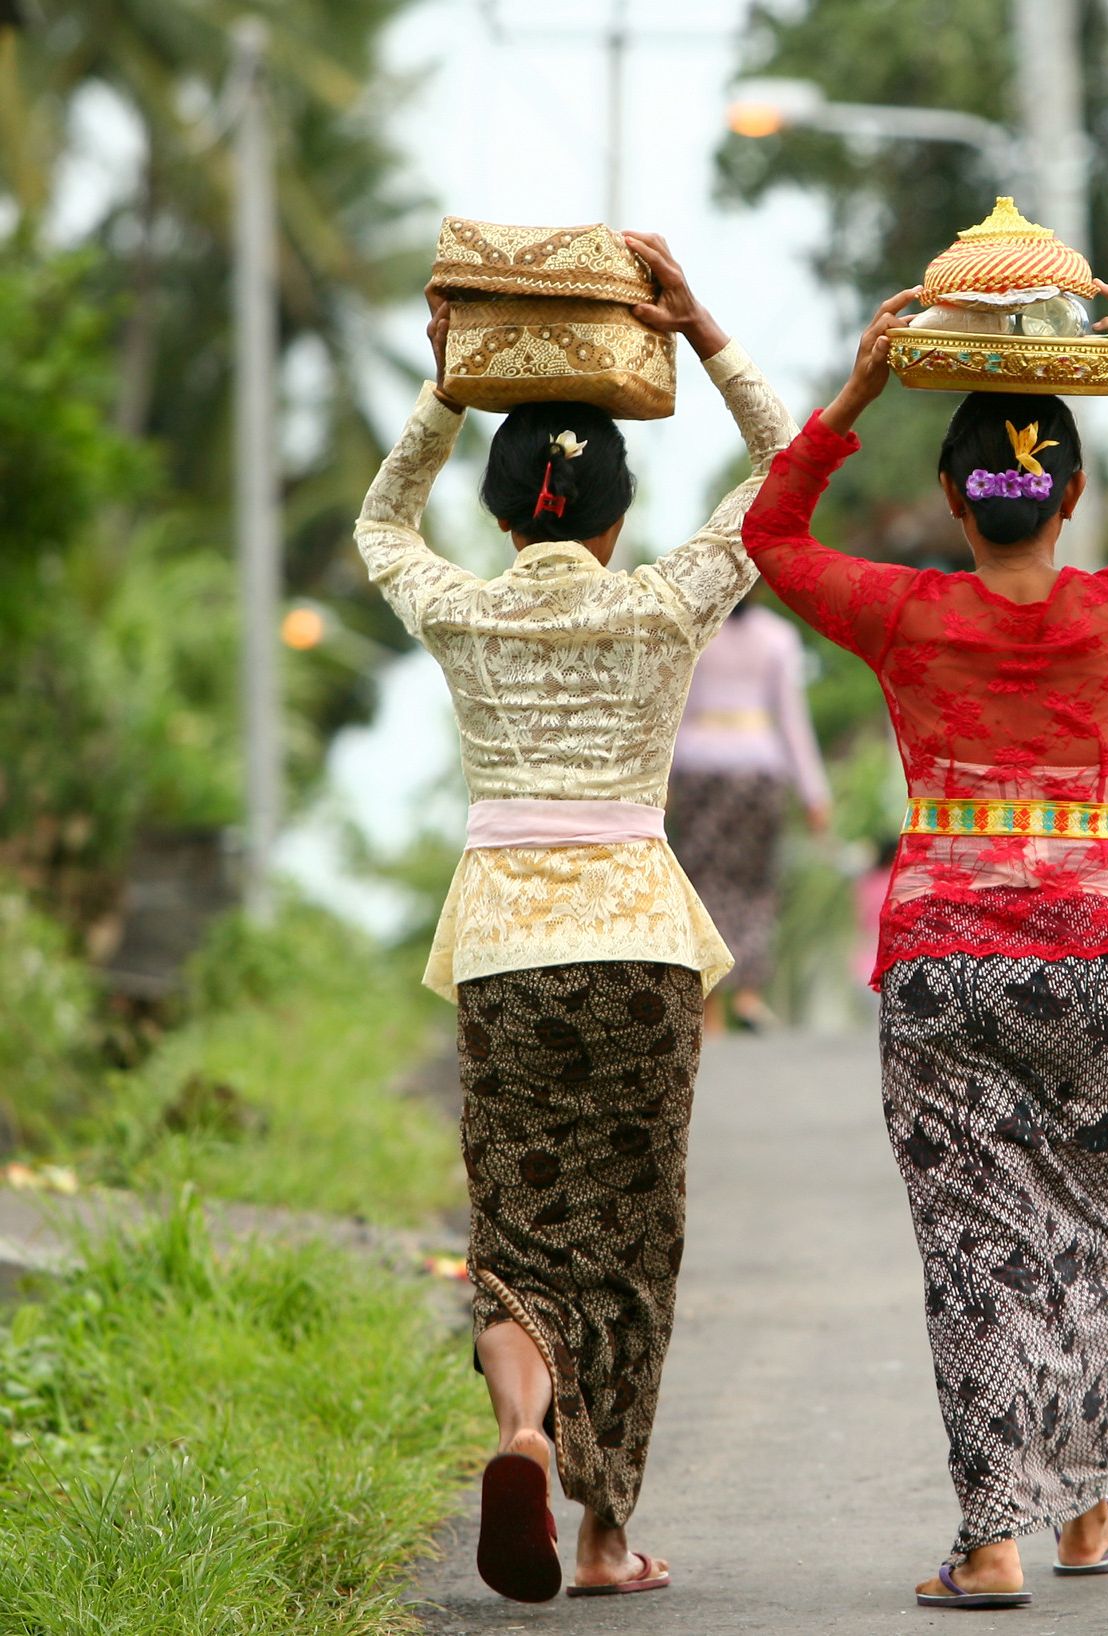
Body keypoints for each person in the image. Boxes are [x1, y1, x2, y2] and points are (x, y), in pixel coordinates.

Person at [743, 282, 1108, 1610]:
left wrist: (857, 395)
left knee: (973, 1253)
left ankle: (992, 1540)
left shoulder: (904, 613)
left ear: (950, 496)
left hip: (939, 960)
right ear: (1070, 492)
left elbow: (768, 534)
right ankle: (1086, 1515)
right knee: (1087, 1235)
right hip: (1096, 954)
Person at [355, 234, 787, 1603]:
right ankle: (605, 1538)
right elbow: (784, 478)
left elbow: (376, 528)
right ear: (614, 517)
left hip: (503, 953)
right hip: (643, 952)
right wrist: (706, 333)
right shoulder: (665, 605)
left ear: (500, 516)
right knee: (633, 1240)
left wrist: (446, 387)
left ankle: (524, 1430)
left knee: (522, 1236)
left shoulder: (467, 613)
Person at [668, 596, 832, 1033]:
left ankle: (712, 1005)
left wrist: (659, 781)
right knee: (756, 880)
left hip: (700, 768)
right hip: (759, 767)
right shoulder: (778, 636)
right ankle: (749, 992)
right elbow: (792, 720)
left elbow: (678, 709)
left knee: (701, 879)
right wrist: (814, 792)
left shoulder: (697, 630)